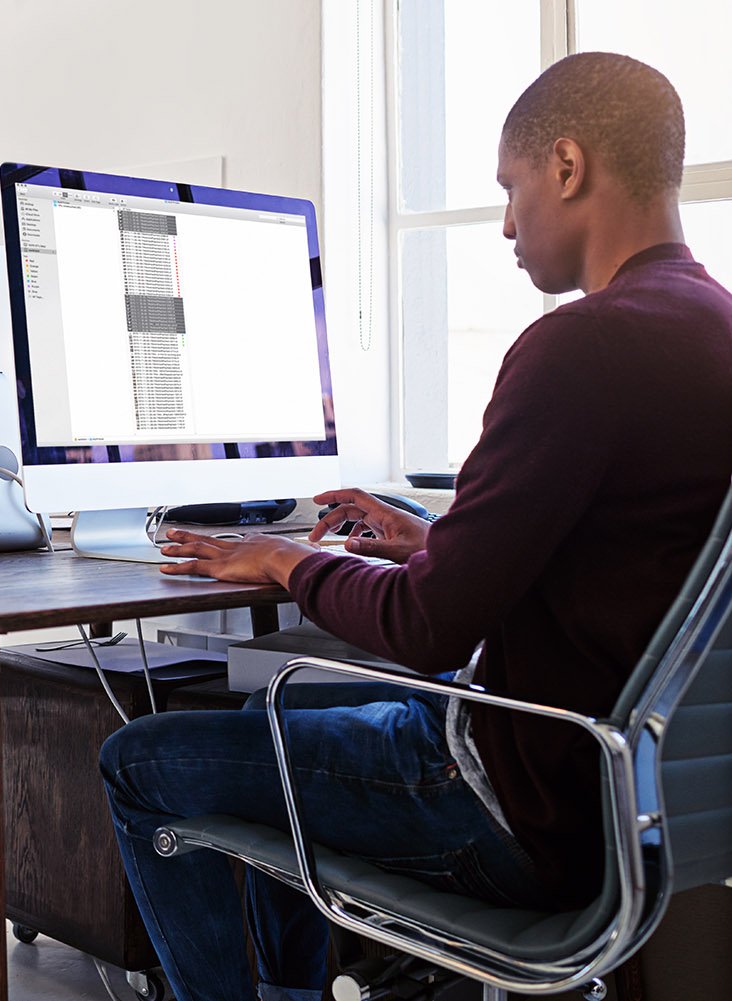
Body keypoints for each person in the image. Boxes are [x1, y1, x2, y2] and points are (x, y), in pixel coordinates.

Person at [100, 52, 732, 1001]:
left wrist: (285, 559)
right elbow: (621, 564)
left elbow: (425, 626)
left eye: (512, 189)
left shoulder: (581, 346)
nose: (508, 224)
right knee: (277, 719)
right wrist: (435, 539)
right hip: (639, 809)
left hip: (518, 807)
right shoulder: (712, 326)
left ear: (568, 167)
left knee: (138, 761)